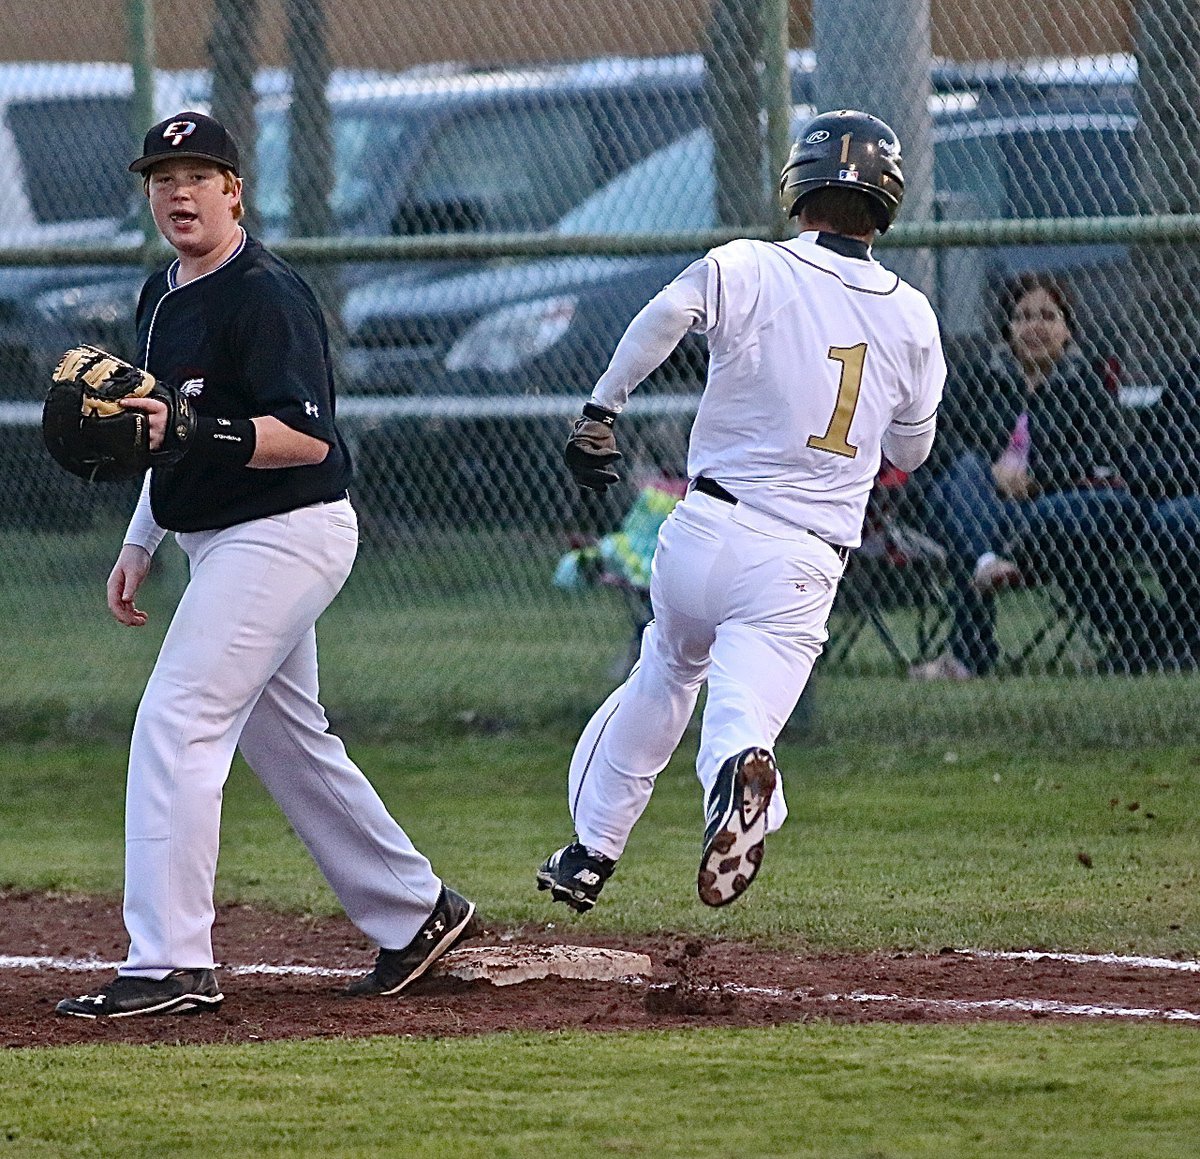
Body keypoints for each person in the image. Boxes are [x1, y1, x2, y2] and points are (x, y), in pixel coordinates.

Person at [55, 112, 478, 1019]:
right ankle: (416, 912)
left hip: (287, 529)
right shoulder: (160, 294)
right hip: (218, 537)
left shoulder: (266, 293)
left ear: (234, 190)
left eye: (199, 175)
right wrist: (142, 539)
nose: (180, 192)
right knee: (284, 738)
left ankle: (171, 960)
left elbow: (305, 435)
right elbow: (155, 425)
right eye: (163, 177)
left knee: (177, 721)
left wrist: (195, 431)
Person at [535, 109, 945, 913]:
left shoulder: (750, 263)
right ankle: (738, 777)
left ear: (801, 189)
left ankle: (590, 852)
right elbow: (911, 452)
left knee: (665, 669)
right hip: (800, 557)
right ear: (887, 203)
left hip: (703, 529)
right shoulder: (912, 315)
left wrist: (602, 408)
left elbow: (666, 314)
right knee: (742, 707)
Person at [910, 272, 1167, 681]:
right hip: (983, 506)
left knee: (1043, 528)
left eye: (1049, 316)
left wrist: (1036, 477)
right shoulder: (981, 377)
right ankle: (986, 562)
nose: (1035, 327)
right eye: (1023, 316)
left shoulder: (1086, 384)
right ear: (1007, 328)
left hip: (1048, 515)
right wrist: (991, 472)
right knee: (962, 473)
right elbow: (938, 438)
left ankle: (968, 652)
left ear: (1067, 330)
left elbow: (1102, 454)